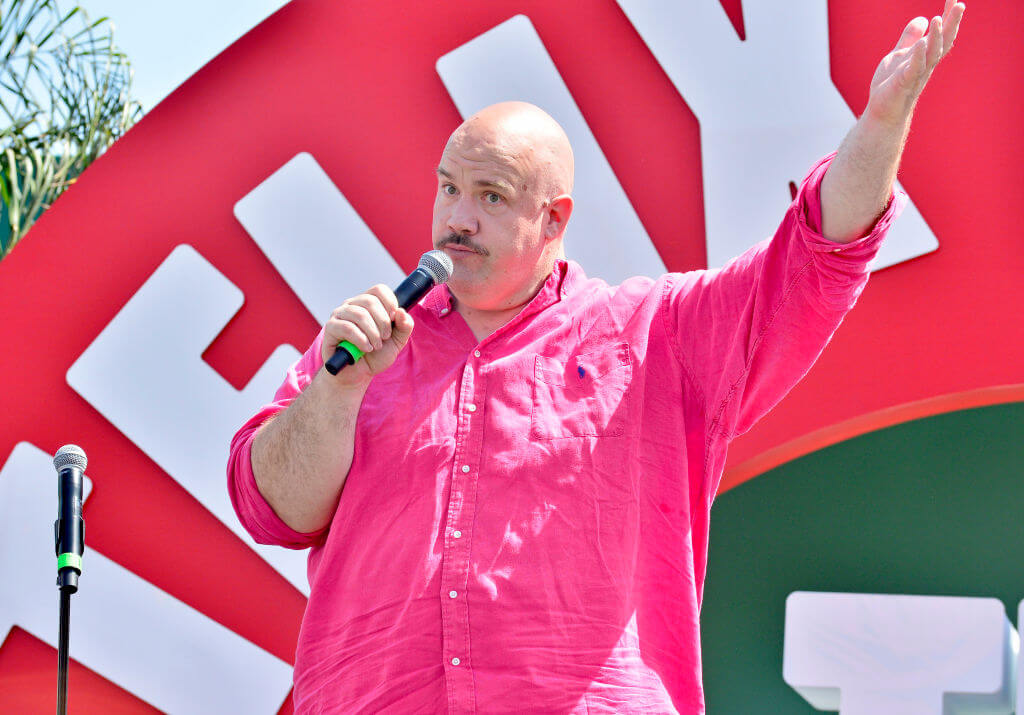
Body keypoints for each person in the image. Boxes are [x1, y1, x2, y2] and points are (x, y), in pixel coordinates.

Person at [228, 4, 964, 712]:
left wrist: (881, 123)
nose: (457, 216)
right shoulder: (369, 346)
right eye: (449, 187)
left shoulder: (653, 335)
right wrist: (336, 393)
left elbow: (813, 258)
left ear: (554, 218)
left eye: (490, 195)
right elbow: (270, 507)